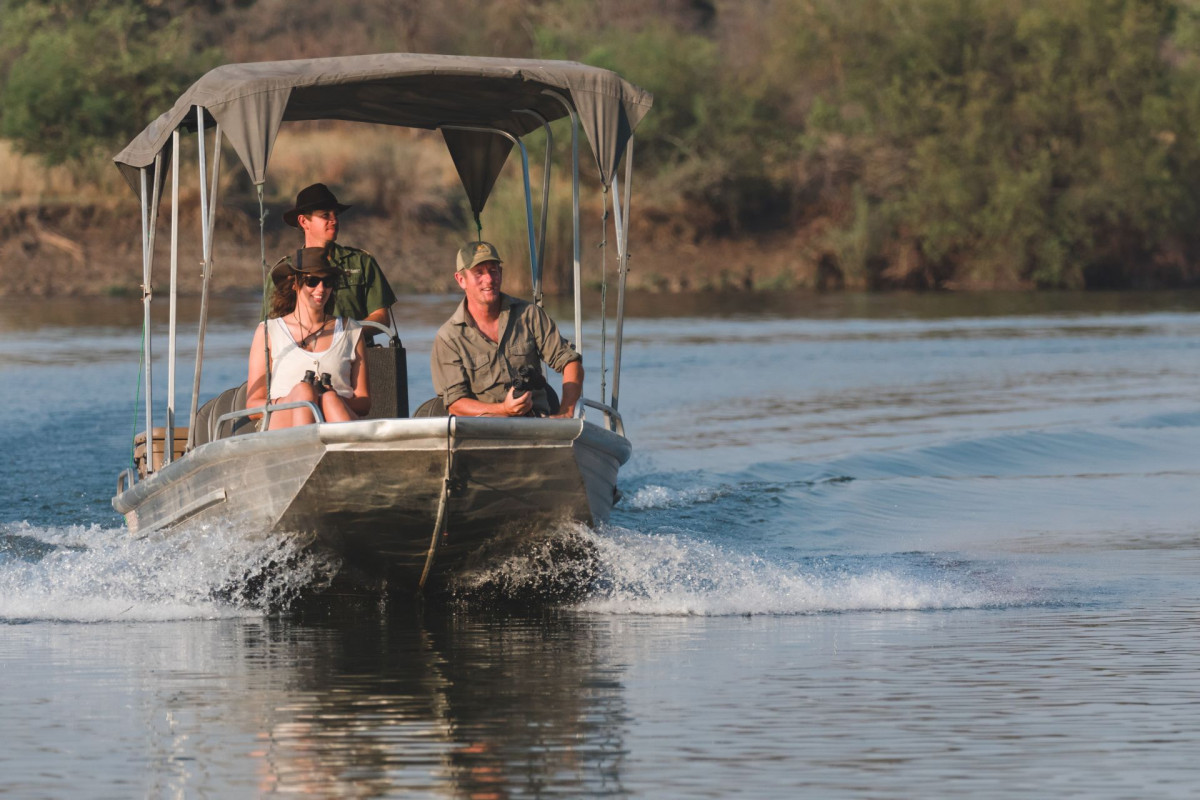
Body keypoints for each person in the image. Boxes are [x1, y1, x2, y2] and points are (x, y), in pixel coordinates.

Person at [431, 241, 582, 418]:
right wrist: (504, 409)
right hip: (482, 434)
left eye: (493, 271)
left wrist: (566, 412)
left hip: (537, 426)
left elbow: (570, 362)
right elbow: (456, 403)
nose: (488, 279)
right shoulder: (449, 338)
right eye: (478, 273)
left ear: (500, 273)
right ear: (461, 280)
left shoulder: (529, 315)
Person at [248, 245, 371, 429]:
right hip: (281, 425)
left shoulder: (352, 331)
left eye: (327, 281)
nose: (321, 289)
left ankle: (346, 454)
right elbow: (252, 406)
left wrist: (328, 396)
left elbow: (363, 403)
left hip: (336, 416)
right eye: (312, 281)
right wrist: (296, 399)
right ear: (295, 283)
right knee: (304, 392)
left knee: (329, 399)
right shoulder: (268, 331)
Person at [271, 183, 397, 329]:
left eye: (335, 214)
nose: (334, 220)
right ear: (304, 221)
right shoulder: (286, 270)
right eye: (325, 215)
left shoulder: (361, 262)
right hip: (302, 349)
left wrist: (341, 335)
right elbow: (272, 326)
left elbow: (381, 319)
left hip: (354, 349)